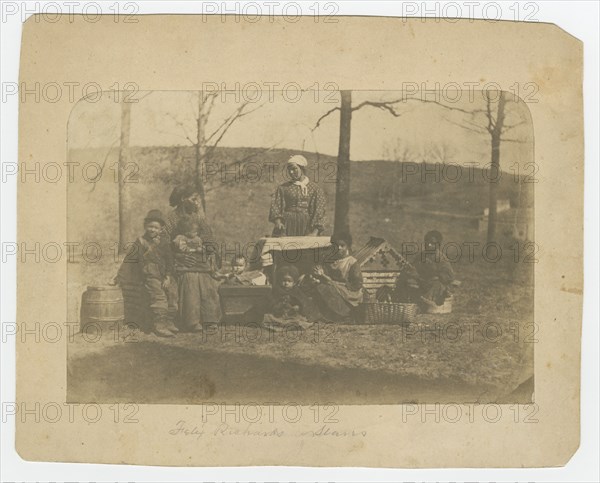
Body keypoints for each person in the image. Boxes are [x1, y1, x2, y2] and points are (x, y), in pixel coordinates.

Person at [166, 184, 222, 332]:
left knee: (207, 282)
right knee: (190, 280)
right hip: (181, 263)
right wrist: (177, 256)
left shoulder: (198, 216)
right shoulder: (172, 218)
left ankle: (210, 318)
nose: (197, 203)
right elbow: (164, 244)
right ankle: (192, 320)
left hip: (200, 261)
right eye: (194, 199)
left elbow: (209, 238)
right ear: (184, 199)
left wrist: (210, 253)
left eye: (198, 200)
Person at [116, 209, 179, 338]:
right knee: (158, 296)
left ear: (161, 229)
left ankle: (169, 320)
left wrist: (168, 276)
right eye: (150, 226)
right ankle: (159, 324)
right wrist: (119, 277)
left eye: (156, 228)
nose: (152, 230)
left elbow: (169, 260)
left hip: (164, 274)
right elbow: (130, 259)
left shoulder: (164, 243)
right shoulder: (140, 242)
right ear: (145, 226)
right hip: (150, 275)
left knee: (173, 293)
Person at [308, 233, 364, 323]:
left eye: (342, 246)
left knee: (324, 289)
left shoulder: (352, 262)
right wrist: (318, 275)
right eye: (336, 246)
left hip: (350, 291)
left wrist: (326, 278)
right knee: (317, 287)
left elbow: (357, 283)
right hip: (335, 286)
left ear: (348, 246)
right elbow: (327, 276)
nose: (339, 248)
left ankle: (345, 314)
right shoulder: (332, 260)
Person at [269, 154, 327, 237]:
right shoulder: (283, 188)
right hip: (287, 224)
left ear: (302, 168)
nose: (291, 172)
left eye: (294, 168)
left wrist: (314, 232)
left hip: (307, 226)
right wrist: (278, 222)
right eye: (289, 169)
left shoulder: (315, 189)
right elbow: (276, 206)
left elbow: (320, 211)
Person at [395, 230, 455, 306]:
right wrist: (410, 272)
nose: (429, 245)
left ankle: (424, 302)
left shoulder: (441, 258)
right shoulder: (421, 256)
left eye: (432, 243)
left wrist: (435, 274)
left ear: (438, 245)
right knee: (406, 281)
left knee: (437, 285)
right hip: (421, 283)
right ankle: (403, 301)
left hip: (434, 285)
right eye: (427, 242)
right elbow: (413, 268)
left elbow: (450, 276)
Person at [262, 265, 313, 331]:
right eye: (284, 280)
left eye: (289, 281)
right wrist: (276, 306)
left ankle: (292, 324)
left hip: (292, 315)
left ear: (294, 282)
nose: (286, 283)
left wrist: (298, 307)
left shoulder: (296, 291)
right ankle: (283, 325)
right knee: (268, 317)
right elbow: (270, 301)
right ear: (280, 280)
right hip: (278, 315)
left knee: (299, 320)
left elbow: (303, 301)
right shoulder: (276, 290)